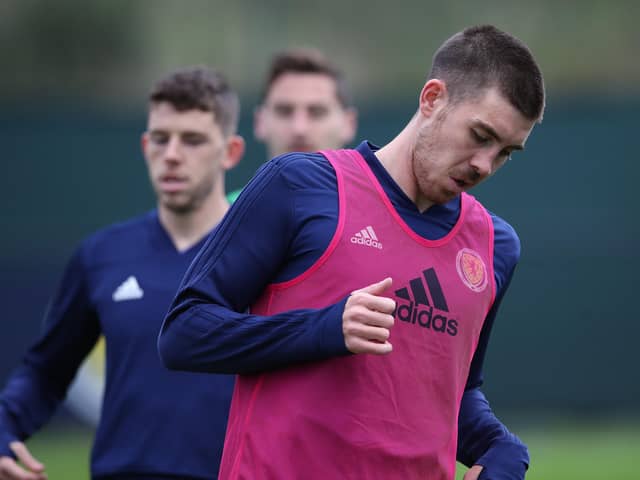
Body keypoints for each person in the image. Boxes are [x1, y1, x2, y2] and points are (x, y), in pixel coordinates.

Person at [160, 24, 543, 480]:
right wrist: (322, 329)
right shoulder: (298, 186)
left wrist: (499, 447)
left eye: (506, 153)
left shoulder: (494, 247)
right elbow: (184, 333)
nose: (485, 164)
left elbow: (455, 393)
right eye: (480, 135)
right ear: (433, 99)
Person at [0, 67, 244, 480]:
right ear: (144, 145)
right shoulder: (102, 254)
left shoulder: (264, 255)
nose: (172, 154)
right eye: (161, 139)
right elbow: (46, 370)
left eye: (193, 139)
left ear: (230, 152)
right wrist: (4, 428)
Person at [226, 47, 357, 202]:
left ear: (349, 124)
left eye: (317, 112)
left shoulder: (377, 215)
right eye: (284, 111)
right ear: (259, 122)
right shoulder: (225, 219)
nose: (299, 128)